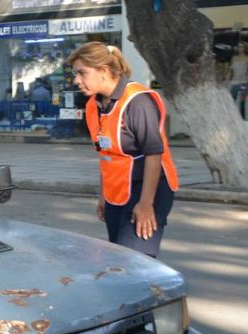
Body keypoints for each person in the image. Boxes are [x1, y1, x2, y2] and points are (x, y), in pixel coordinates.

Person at [65, 42, 179, 258]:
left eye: (82, 73)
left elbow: (154, 155)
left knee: (136, 262)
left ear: (104, 71)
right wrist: (104, 196)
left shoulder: (138, 101)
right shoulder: (93, 105)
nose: (76, 80)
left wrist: (146, 205)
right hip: (117, 190)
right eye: (75, 74)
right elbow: (105, 153)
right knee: (118, 258)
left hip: (148, 189)